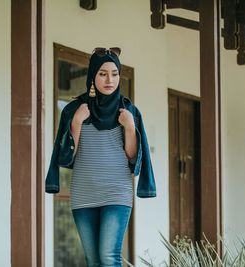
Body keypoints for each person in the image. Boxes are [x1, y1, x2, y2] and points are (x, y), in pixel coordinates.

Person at [46, 47, 156, 267]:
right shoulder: (74, 110)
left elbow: (132, 157)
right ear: (93, 76)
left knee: (108, 257)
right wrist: (77, 122)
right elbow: (67, 157)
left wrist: (130, 128)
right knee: (93, 260)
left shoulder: (128, 111)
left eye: (115, 74)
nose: (110, 80)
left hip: (116, 192)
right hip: (83, 193)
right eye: (103, 73)